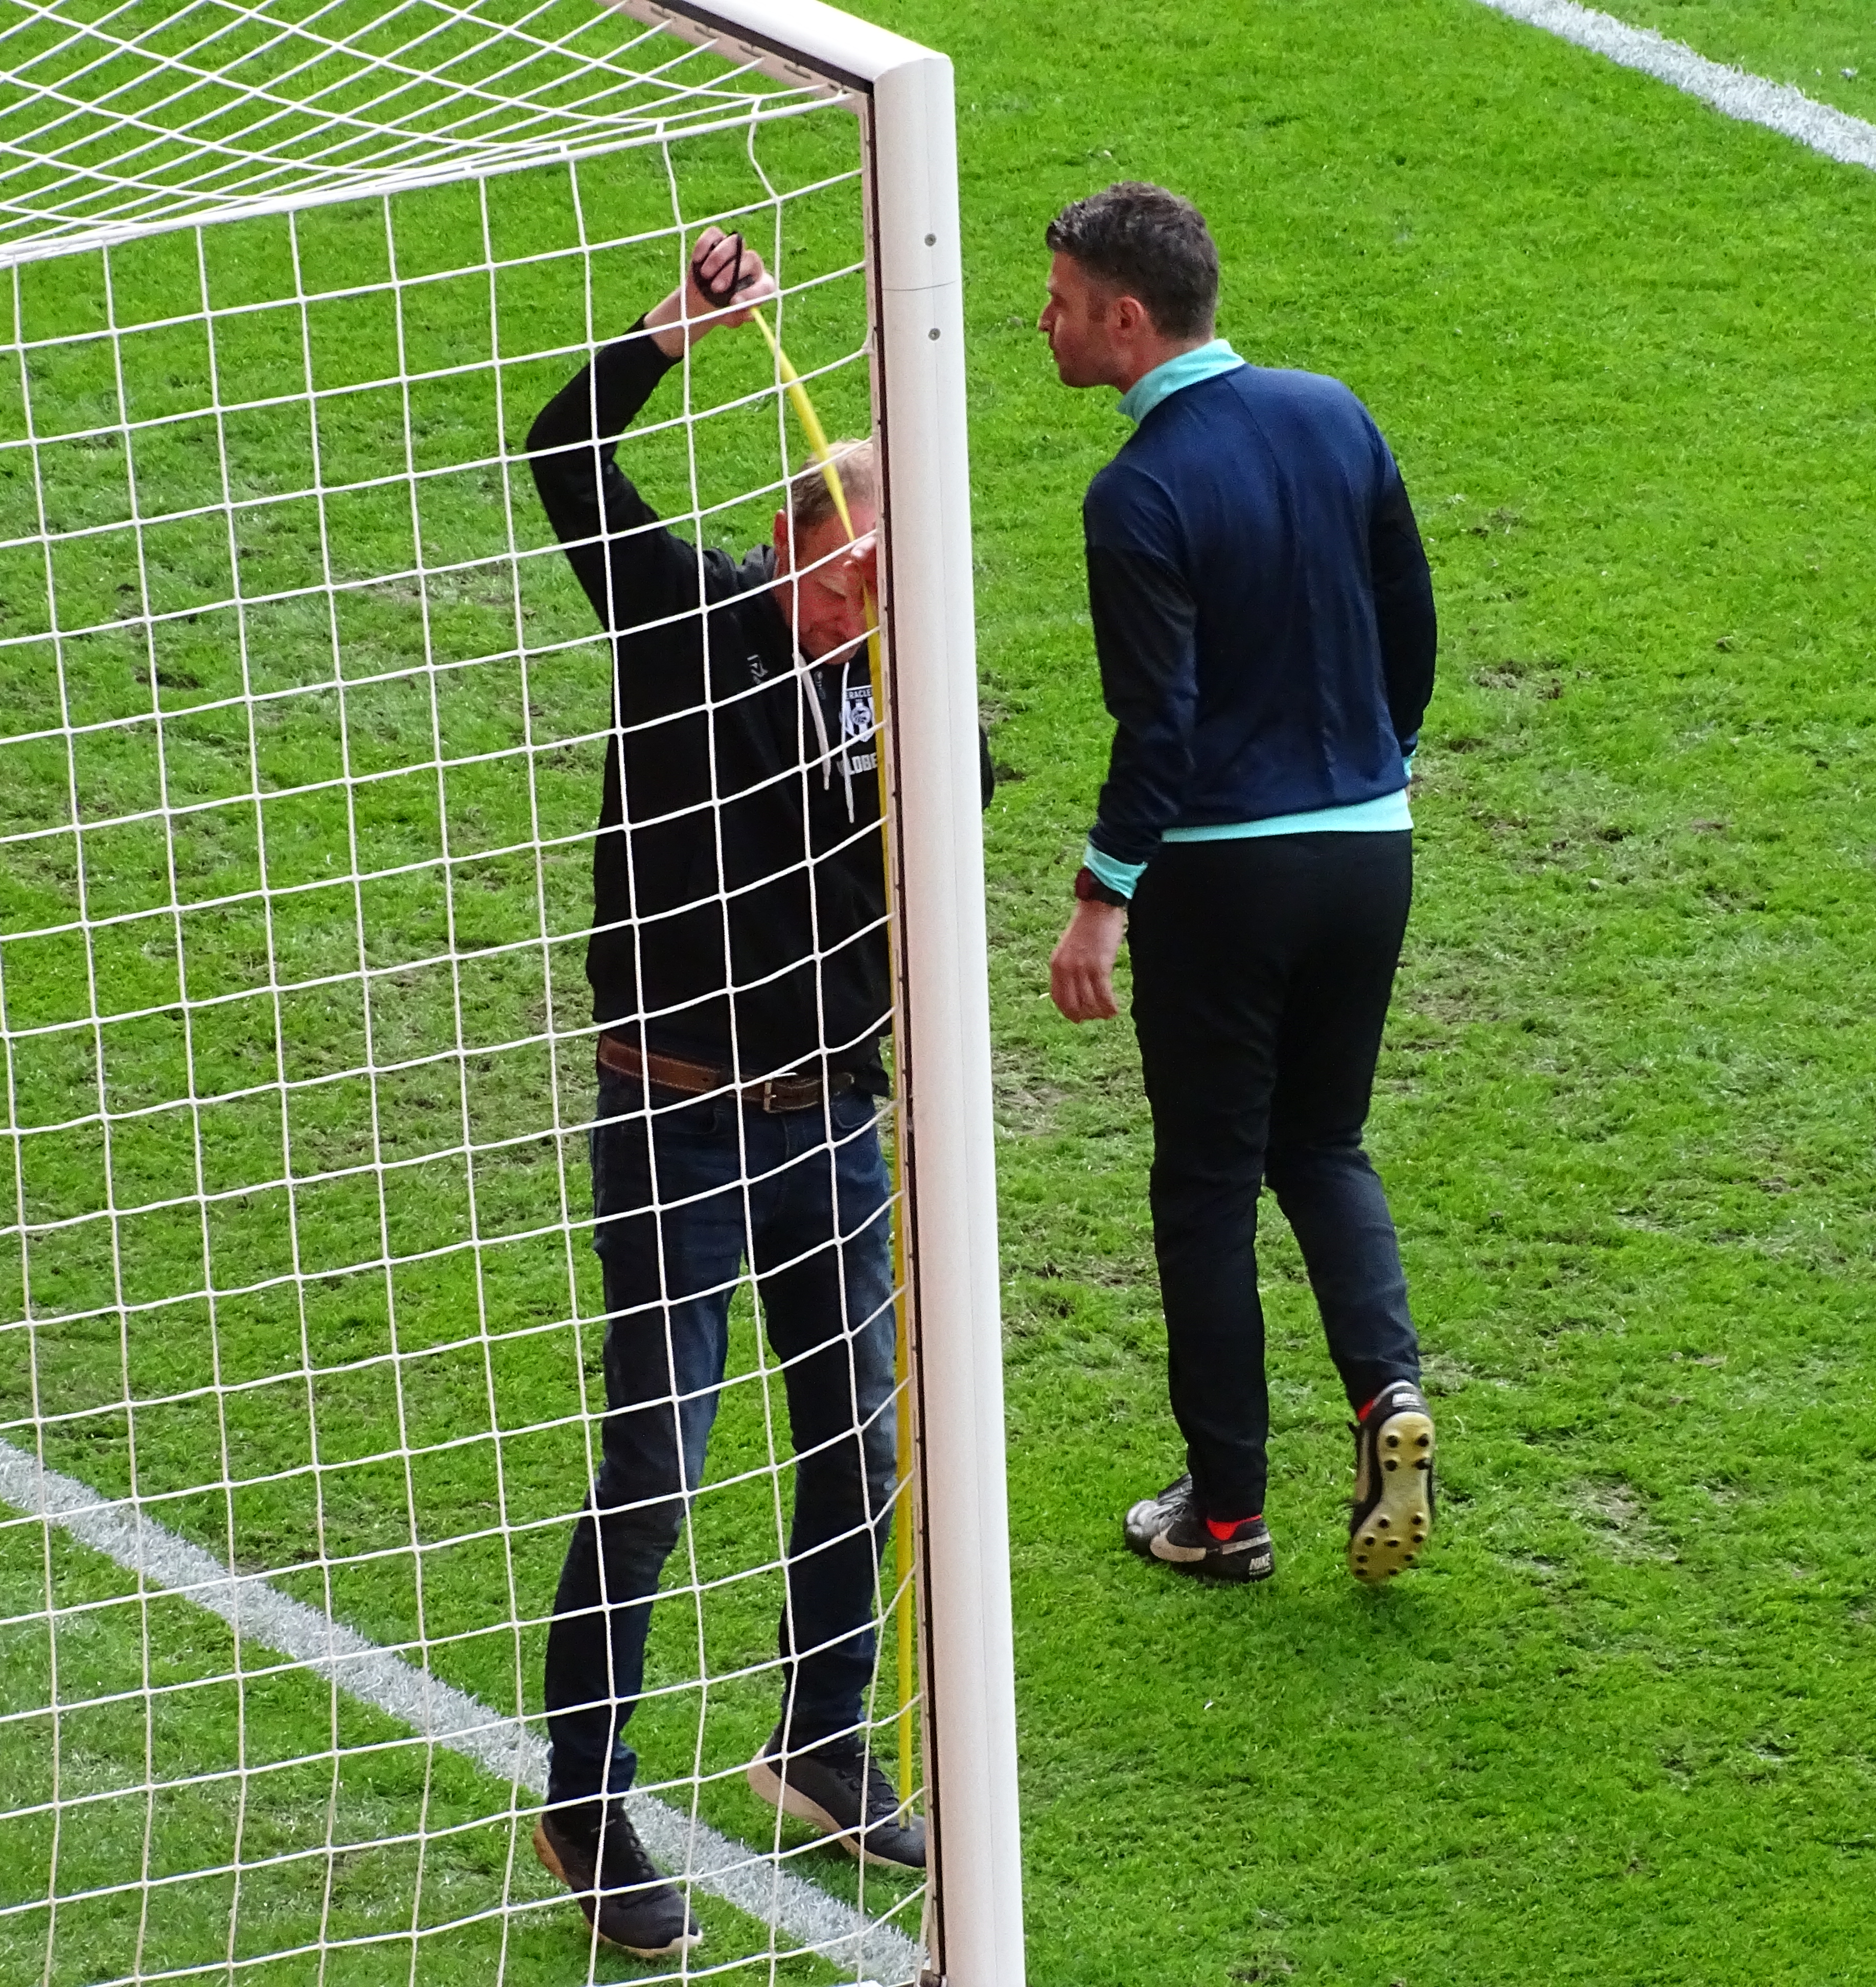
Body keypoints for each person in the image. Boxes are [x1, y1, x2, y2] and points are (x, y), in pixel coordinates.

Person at [521, 229, 949, 1959]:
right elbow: (559, 458)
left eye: (889, 590)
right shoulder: (686, 610)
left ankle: (822, 1742)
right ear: (788, 540)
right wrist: (669, 336)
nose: (862, 607)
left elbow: (921, 862)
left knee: (860, 1440)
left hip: (829, 1117)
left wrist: (906, 714)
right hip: (682, 1115)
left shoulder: (895, 692)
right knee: (658, 1457)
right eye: (851, 577)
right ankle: (583, 1801)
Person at [1038, 183, 1441, 1588]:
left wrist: (1103, 893)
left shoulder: (1137, 491)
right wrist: (1377, 760)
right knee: (1322, 1146)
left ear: (1128, 321)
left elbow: (1162, 723)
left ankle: (1224, 1515)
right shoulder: (1333, 412)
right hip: (1368, 849)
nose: (1046, 323)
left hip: (1225, 877)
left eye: (1067, 304)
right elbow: (1411, 617)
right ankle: (1388, 1393)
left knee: (1206, 1185)